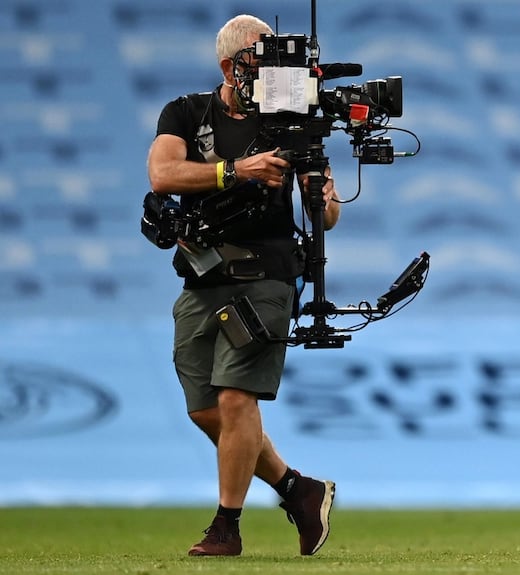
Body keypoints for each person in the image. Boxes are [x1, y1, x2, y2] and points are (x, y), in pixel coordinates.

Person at [146, 14, 342, 557]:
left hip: (268, 275)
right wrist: (236, 171)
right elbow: (163, 175)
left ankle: (226, 528)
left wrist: (319, 191)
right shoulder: (186, 112)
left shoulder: (291, 119)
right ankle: (297, 490)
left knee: (236, 400)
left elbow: (325, 218)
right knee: (205, 408)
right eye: (265, 58)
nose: (277, 70)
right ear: (231, 66)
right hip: (202, 275)